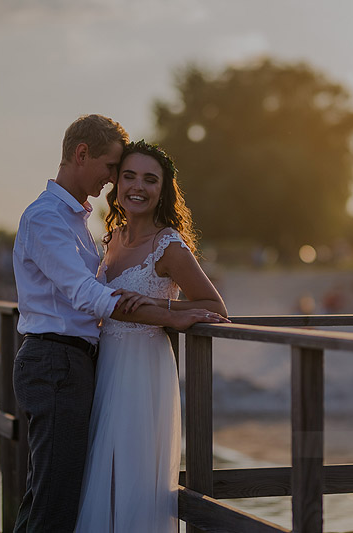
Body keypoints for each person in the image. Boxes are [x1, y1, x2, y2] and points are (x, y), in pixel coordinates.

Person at [12, 116, 227, 532]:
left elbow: (209, 304)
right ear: (81, 155)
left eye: (144, 178)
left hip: (95, 367)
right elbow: (87, 295)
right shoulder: (49, 219)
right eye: (116, 169)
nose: (116, 181)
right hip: (58, 362)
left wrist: (168, 312)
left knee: (59, 491)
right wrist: (167, 315)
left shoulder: (81, 220)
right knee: (54, 498)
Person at [74, 140, 228, 532]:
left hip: (144, 372)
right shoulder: (111, 240)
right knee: (104, 481)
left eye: (149, 179)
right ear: (117, 184)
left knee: (135, 479)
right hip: (105, 368)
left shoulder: (169, 245)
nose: (137, 186)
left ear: (162, 190)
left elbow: (215, 306)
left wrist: (157, 308)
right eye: (128, 176)